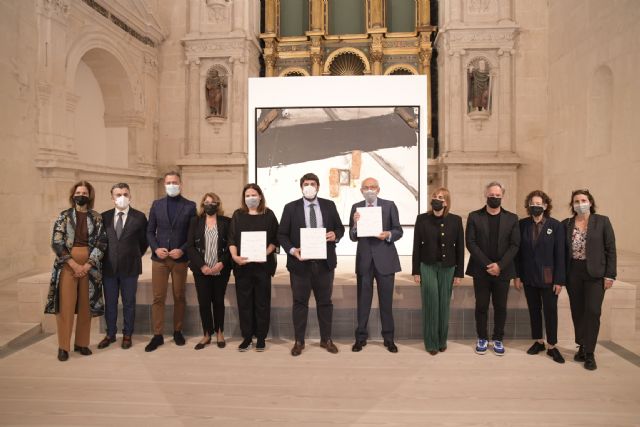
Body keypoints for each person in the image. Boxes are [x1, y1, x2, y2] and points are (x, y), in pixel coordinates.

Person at [278, 173, 345, 356]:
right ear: (301, 187)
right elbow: (282, 234)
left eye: (312, 184)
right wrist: (293, 251)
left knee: (325, 303)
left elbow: (340, 228)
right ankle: (299, 341)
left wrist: (335, 235)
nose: (309, 186)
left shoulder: (329, 206)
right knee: (300, 303)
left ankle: (326, 339)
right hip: (300, 265)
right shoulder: (291, 208)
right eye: (306, 184)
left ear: (318, 187)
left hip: (325, 264)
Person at [45, 181, 107, 361]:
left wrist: (87, 265)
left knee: (85, 307)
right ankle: (63, 346)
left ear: (90, 196)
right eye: (78, 192)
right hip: (67, 265)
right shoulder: (63, 216)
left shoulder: (96, 217)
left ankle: (82, 343)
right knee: (66, 306)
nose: (81, 195)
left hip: (90, 266)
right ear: (73, 195)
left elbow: (102, 243)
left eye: (85, 193)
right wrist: (73, 264)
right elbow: (57, 242)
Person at [562, 189, 616, 370]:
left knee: (593, 311)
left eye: (583, 200)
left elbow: (611, 249)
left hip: (595, 273)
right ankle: (582, 346)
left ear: (590, 202)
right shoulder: (567, 224)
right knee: (578, 311)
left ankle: (590, 353)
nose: (580, 203)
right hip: (573, 272)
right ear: (572, 205)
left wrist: (610, 275)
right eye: (576, 201)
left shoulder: (602, 221)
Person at [348, 177, 403, 353]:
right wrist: (355, 224)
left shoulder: (389, 205)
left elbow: (398, 230)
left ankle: (389, 338)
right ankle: (360, 338)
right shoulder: (356, 207)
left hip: (385, 259)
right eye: (366, 187)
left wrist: (388, 234)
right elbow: (352, 236)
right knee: (363, 301)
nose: (369, 190)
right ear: (361, 190)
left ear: (378, 189)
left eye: (373, 187)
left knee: (386, 302)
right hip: (365, 260)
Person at [466, 181, 520, 356]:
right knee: (481, 306)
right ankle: (482, 338)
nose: (494, 198)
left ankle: (498, 339)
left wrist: (500, 265)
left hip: (503, 271)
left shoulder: (512, 218)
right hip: (481, 270)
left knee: (500, 306)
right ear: (486, 195)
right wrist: (488, 264)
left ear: (502, 196)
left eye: (498, 195)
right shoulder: (474, 216)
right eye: (491, 195)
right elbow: (471, 243)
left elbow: (515, 245)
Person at [145, 171, 197, 352]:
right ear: (164, 185)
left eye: (175, 182)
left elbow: (192, 235)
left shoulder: (190, 206)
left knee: (179, 295)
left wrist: (182, 249)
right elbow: (150, 231)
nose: (171, 185)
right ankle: (157, 335)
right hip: (159, 258)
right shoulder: (157, 204)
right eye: (168, 182)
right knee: (158, 297)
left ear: (181, 184)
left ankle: (177, 331)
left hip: (179, 259)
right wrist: (156, 248)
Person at [514, 190, 566, 364]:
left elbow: (560, 254)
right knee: (534, 310)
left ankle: (551, 345)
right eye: (532, 204)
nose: (536, 206)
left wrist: (559, 280)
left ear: (545, 206)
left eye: (539, 204)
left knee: (550, 311)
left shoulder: (556, 225)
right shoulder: (522, 225)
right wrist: (517, 275)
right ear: (529, 206)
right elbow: (518, 253)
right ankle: (538, 341)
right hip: (528, 276)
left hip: (549, 277)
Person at [412, 187, 464, 355]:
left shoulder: (455, 220)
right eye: (434, 196)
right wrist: (416, 271)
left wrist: (459, 273)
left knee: (444, 305)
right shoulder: (422, 219)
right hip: (427, 266)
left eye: (440, 197)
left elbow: (460, 249)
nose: (436, 199)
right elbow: (416, 247)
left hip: (448, 267)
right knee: (431, 304)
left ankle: (442, 341)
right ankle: (431, 343)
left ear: (446, 202)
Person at [228, 184, 279, 352]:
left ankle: (261, 338)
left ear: (260, 196)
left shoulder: (268, 215)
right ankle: (247, 337)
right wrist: (235, 257)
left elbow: (275, 240)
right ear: (244, 198)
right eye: (247, 195)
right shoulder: (238, 215)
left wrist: (265, 253)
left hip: (262, 267)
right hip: (243, 266)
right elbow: (232, 239)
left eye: (254, 194)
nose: (251, 198)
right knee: (244, 303)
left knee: (262, 303)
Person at [98, 183, 148, 350]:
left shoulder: (139, 217)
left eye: (125, 194)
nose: (122, 197)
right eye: (118, 194)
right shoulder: (103, 217)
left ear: (130, 196)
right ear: (112, 197)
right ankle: (110, 334)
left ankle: (127, 334)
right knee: (110, 303)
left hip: (130, 268)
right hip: (109, 268)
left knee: (128, 303)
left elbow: (143, 242)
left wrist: (133, 255)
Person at [187, 192, 232, 350]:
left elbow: (231, 246)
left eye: (213, 202)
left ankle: (220, 332)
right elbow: (190, 246)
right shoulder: (195, 221)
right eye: (206, 202)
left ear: (218, 205)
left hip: (220, 270)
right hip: (202, 271)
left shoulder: (226, 222)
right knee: (204, 302)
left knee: (218, 301)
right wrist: (202, 266)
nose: (209, 205)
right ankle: (207, 334)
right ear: (202, 205)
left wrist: (222, 263)